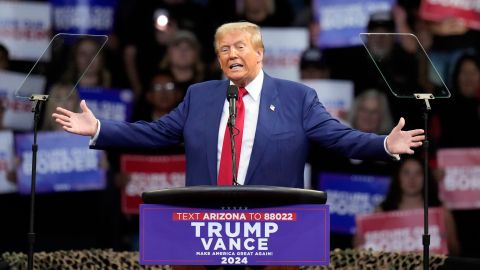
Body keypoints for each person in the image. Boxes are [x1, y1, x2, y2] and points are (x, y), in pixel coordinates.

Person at [52, 21, 425, 188]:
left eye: (239, 47)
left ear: (260, 54)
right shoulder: (200, 96)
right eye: (223, 50)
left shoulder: (298, 98)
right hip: (206, 227)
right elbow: (155, 133)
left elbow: (338, 137)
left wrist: (383, 144)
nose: (231, 54)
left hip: (273, 227)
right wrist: (99, 128)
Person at [377, 156, 460, 255]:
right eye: (406, 173)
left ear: (426, 177)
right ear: (398, 177)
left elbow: (456, 253)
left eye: (418, 173)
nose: (412, 179)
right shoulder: (381, 212)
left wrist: (446, 242)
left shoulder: (442, 213)